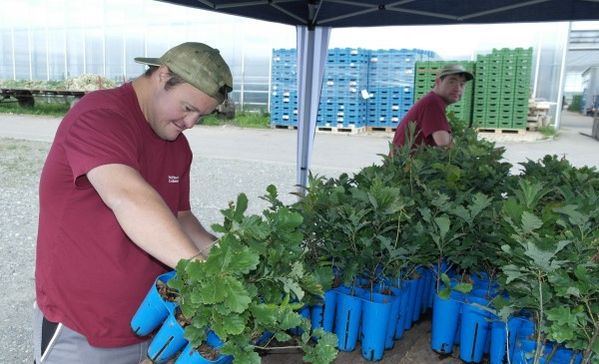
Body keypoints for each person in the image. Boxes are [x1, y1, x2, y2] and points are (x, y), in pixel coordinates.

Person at [33, 42, 232, 364]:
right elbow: (129, 197)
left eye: (202, 116)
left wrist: (225, 258)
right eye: (186, 107)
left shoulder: (177, 146)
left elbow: (180, 217)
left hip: (156, 320)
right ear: (162, 76)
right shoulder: (100, 116)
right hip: (86, 328)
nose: (191, 122)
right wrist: (202, 273)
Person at [391, 63, 473, 150]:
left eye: (462, 84)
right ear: (438, 82)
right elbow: (445, 144)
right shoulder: (433, 103)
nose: (458, 88)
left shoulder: (432, 100)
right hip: (407, 163)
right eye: (451, 81)